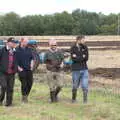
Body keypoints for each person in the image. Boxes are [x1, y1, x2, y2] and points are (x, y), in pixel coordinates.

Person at [70, 35, 89, 103]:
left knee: (85, 85)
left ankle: (85, 101)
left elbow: (86, 58)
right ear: (78, 40)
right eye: (83, 40)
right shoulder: (73, 48)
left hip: (84, 69)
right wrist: (82, 57)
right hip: (75, 70)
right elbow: (73, 59)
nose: (84, 41)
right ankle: (73, 99)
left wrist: (78, 56)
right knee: (75, 86)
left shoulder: (85, 47)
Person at [0, 37, 18, 106]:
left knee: (10, 88)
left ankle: (9, 103)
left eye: (14, 43)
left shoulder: (15, 51)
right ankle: (0, 100)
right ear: (7, 43)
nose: (13, 44)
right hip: (2, 73)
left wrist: (15, 69)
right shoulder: (2, 50)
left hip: (11, 73)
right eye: (12, 42)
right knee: (4, 86)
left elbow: (16, 61)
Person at [45, 38, 64, 103]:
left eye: (55, 45)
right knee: (51, 86)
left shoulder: (60, 51)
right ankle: (52, 100)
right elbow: (45, 62)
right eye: (52, 45)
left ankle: (55, 95)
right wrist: (49, 66)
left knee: (60, 85)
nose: (54, 46)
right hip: (50, 71)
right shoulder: (47, 52)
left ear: (56, 45)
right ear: (49, 45)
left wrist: (62, 64)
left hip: (59, 70)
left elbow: (62, 60)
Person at [16, 37, 34, 103]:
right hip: (21, 70)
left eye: (27, 42)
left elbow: (32, 58)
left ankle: (26, 95)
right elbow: (14, 60)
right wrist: (18, 68)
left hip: (29, 69)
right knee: (24, 84)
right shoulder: (17, 50)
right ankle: (24, 97)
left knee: (30, 83)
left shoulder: (29, 49)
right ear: (21, 41)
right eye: (25, 42)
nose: (27, 43)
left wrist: (32, 65)